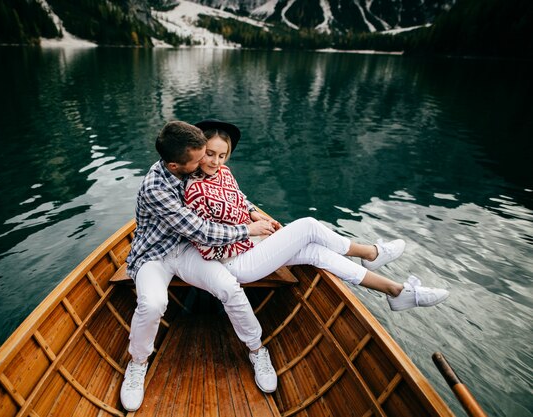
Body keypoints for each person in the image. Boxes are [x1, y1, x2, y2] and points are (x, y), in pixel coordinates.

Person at [184, 119, 450, 312]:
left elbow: (240, 198)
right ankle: (370, 253)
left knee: (317, 252)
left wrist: (253, 214)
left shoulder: (224, 173)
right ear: (197, 150)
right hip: (234, 262)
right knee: (308, 226)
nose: (216, 161)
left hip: (251, 244)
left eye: (222, 155)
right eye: (209, 154)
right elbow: (207, 249)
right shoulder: (194, 189)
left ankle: (398, 292)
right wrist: (251, 234)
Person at [119, 121, 278, 412]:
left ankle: (257, 350)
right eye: (198, 159)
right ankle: (138, 363)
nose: (205, 162)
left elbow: (231, 192)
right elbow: (201, 231)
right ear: (174, 165)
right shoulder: (157, 188)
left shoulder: (192, 166)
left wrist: (252, 212)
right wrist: (248, 230)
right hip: (154, 255)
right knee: (153, 304)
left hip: (187, 250)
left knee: (229, 287)